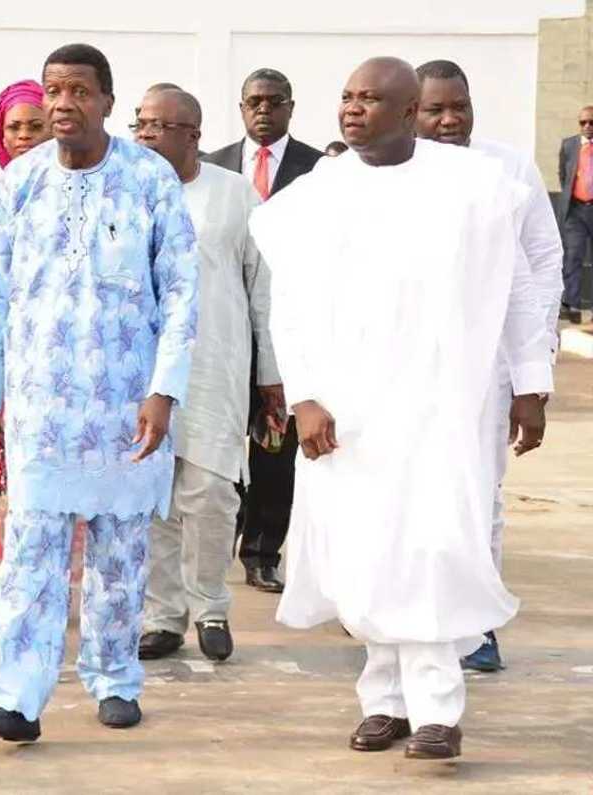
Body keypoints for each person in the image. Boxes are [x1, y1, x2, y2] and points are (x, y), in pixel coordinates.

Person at [250, 57, 552, 760]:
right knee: (365, 552)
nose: (353, 110)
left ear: (411, 109)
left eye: (372, 99)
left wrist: (530, 385)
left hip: (448, 405)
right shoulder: (319, 195)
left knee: (433, 548)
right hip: (350, 414)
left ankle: (438, 709)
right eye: (348, 96)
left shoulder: (478, 190)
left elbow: (517, 291)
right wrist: (305, 397)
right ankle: (383, 698)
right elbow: (288, 308)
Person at [0, 43, 198, 742]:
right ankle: (14, 697)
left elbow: (182, 293)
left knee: (120, 551)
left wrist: (164, 389)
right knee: (29, 556)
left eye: (79, 91)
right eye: (53, 90)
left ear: (107, 103)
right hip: (40, 406)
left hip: (127, 405)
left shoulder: (151, 179)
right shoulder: (19, 183)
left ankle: (114, 677)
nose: (63, 104)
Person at [415, 59, 563, 673]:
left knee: (478, 498)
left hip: (487, 369)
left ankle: (477, 629)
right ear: (410, 113)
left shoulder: (509, 169)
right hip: (405, 369)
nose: (450, 120)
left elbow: (542, 267)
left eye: (460, 107)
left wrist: (532, 376)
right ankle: (406, 619)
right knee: (405, 498)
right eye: (435, 109)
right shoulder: (385, 172)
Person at [132, 88, 280, 664]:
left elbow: (263, 290)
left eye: (157, 126)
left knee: (212, 493)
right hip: (140, 370)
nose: (144, 136)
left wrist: (270, 375)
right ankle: (161, 617)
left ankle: (211, 608)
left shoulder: (234, 194)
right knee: (153, 498)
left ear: (192, 133)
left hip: (215, 367)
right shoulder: (126, 193)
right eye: (139, 125)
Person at [203, 67, 322, 594]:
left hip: (291, 324)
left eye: (274, 102)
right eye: (254, 101)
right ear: (241, 107)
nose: (263, 110)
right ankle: (217, 549)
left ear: (291, 107)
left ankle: (262, 554)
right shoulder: (213, 167)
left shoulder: (318, 170)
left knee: (276, 447)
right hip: (227, 328)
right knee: (222, 444)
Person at [556, 105, 593, 323]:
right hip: (576, 209)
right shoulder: (569, 145)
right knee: (572, 258)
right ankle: (572, 307)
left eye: (592, 122)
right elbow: (563, 174)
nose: (587, 126)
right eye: (583, 122)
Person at [0, 79, 50, 187]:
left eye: (36, 127)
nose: (24, 135)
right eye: (13, 127)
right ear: (1, 137)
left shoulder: (78, 185)